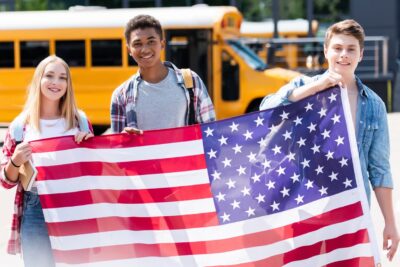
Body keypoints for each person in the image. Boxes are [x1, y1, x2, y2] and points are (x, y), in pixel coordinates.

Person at [260, 19, 399, 261]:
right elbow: (267, 112)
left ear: (361, 55)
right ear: (326, 51)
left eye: (351, 49)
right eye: (337, 48)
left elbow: (379, 169)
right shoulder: (303, 86)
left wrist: (390, 222)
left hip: (351, 212)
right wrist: (316, 87)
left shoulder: (373, 104)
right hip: (304, 209)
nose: (343, 55)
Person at [0, 55, 94, 267]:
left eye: (62, 77)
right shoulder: (20, 126)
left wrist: (89, 146)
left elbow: (93, 170)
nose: (56, 82)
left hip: (74, 205)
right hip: (36, 206)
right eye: (49, 75)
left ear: (68, 84)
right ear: (38, 80)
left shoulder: (80, 121)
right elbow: (6, 182)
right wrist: (15, 160)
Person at [110, 14, 215, 134]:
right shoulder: (121, 95)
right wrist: (124, 139)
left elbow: (210, 133)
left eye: (151, 41)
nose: (145, 49)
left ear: (162, 44)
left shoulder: (191, 81)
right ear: (129, 50)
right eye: (137, 44)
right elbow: (117, 148)